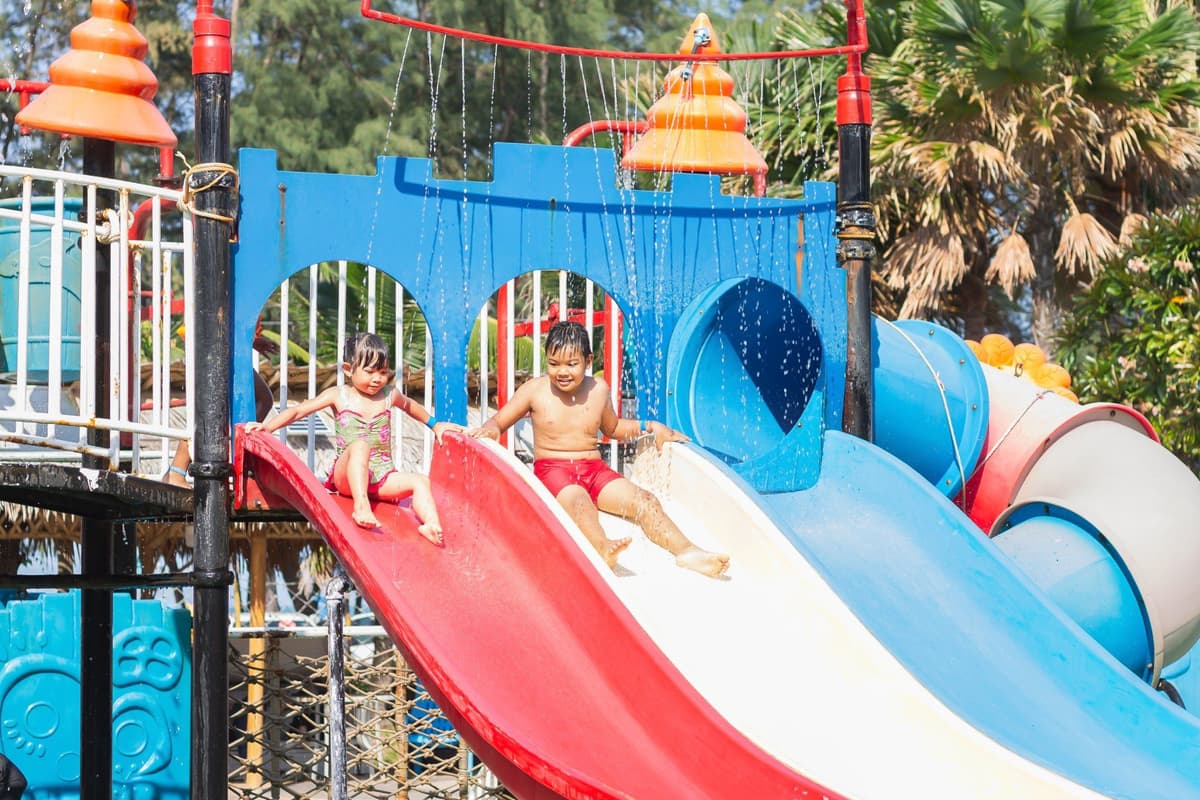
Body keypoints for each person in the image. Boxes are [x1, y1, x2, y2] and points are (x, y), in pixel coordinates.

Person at [470, 321, 729, 578]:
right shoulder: (534, 391)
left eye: (571, 364)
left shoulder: (598, 390)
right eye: (554, 363)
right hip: (554, 471)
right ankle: (602, 547)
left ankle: (687, 552)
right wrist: (491, 429)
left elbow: (612, 428)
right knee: (580, 503)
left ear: (588, 361)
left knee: (645, 501)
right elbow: (499, 421)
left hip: (595, 470)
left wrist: (649, 426)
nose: (562, 371)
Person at [246, 332, 459, 543]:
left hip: (381, 478)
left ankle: (431, 524)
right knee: (360, 446)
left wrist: (435, 425)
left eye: (383, 372)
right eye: (370, 372)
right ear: (348, 370)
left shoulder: (389, 395)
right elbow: (299, 411)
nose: (377, 379)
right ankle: (361, 506)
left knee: (420, 481)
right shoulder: (339, 395)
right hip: (346, 479)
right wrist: (267, 427)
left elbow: (412, 407)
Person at [165, 319, 276, 487]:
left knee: (257, 400)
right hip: (217, 350)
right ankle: (176, 472)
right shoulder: (239, 293)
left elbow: (237, 326)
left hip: (225, 349)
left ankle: (177, 471)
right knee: (209, 411)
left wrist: (253, 342)